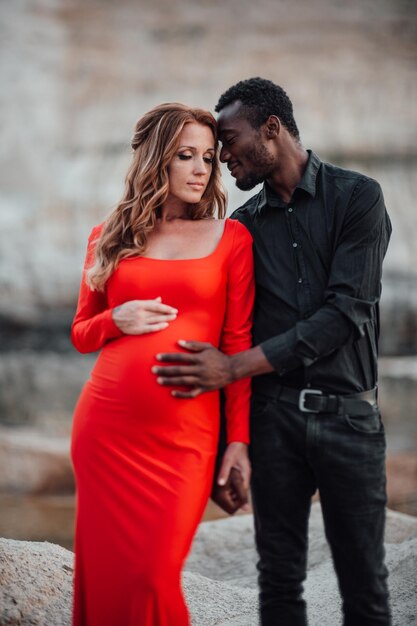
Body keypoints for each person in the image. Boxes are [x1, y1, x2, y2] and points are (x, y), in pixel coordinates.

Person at [153, 78, 392, 625]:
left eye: (229, 142)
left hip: (349, 420)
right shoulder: (240, 227)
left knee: (365, 587)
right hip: (272, 421)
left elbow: (345, 314)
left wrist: (233, 368)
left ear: (271, 128)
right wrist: (224, 452)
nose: (223, 159)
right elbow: (225, 332)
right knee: (278, 584)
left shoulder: (358, 197)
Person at [70, 102, 254, 626]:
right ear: (158, 161)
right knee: (106, 579)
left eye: (208, 159)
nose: (201, 169)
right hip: (106, 431)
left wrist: (238, 442)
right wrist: (116, 318)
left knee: (154, 576)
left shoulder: (232, 237)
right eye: (186, 156)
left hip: (184, 440)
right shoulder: (109, 236)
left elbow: (237, 345)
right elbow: (82, 334)